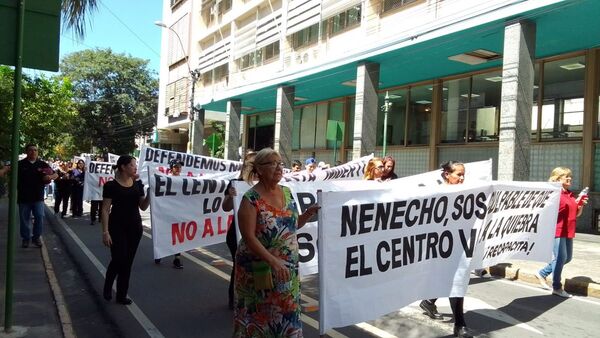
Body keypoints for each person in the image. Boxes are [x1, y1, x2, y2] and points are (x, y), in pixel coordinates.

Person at [233, 148, 319, 337]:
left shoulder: (287, 192)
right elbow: (248, 237)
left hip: (286, 270)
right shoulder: (250, 199)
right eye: (273, 163)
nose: (279, 167)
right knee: (260, 319)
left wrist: (308, 214)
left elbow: (291, 225)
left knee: (288, 315)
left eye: (280, 163)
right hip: (259, 270)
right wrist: (273, 261)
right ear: (260, 169)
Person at [419, 160, 473, 338]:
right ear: (447, 174)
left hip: (458, 245)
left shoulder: (468, 192)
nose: (462, 177)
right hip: (438, 246)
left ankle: (457, 322)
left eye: (464, 174)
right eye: (458, 174)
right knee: (450, 280)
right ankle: (460, 324)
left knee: (455, 280)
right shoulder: (436, 191)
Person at [101, 155, 150, 305]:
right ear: (123, 167)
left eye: (135, 165)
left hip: (135, 228)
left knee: (127, 262)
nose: (135, 168)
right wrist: (105, 232)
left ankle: (121, 295)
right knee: (118, 259)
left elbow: (143, 206)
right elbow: (105, 209)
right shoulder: (111, 186)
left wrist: (150, 195)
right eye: (132, 165)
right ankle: (108, 284)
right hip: (116, 227)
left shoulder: (138, 184)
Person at [535, 167, 587, 298]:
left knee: (567, 258)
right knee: (560, 258)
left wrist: (580, 205)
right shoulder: (554, 193)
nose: (570, 178)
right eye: (566, 176)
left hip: (568, 229)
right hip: (557, 229)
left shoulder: (570, 194)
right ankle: (557, 287)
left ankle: (542, 273)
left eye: (570, 176)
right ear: (558, 179)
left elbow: (576, 214)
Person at [222, 151, 256, 309]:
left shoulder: (265, 184)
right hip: (237, 233)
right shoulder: (235, 183)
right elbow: (225, 207)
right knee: (239, 267)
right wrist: (229, 196)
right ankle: (234, 299)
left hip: (257, 234)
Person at [18, 144, 58, 248]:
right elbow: (8, 169)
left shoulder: (42, 164)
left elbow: (56, 174)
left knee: (40, 216)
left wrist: (50, 176)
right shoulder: (20, 164)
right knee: (24, 219)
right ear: (27, 152)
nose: (33, 152)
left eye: (35, 150)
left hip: (38, 197)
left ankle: (36, 237)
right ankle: (25, 239)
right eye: (31, 150)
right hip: (24, 197)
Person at [154, 159, 184, 269]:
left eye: (180, 167)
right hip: (166, 212)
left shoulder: (184, 180)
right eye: (176, 166)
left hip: (178, 212)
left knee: (178, 235)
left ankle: (177, 259)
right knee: (165, 234)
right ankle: (160, 253)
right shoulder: (165, 180)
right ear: (171, 168)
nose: (178, 169)